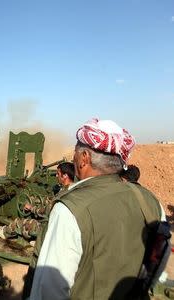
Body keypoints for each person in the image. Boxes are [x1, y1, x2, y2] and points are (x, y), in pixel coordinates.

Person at [29, 118, 169, 300]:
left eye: (76, 152)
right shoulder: (150, 201)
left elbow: (48, 289)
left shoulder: (69, 209)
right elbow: (159, 262)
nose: (73, 157)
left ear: (85, 158)